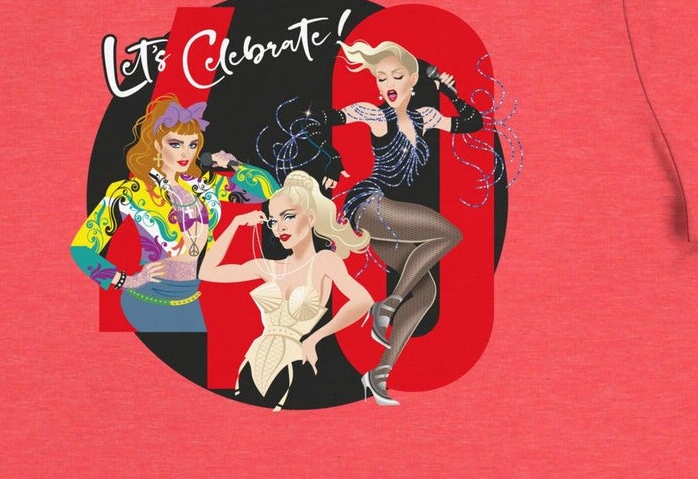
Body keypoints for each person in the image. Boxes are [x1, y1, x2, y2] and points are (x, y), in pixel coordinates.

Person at [314, 40, 487, 403]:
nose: (387, 84)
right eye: (380, 78)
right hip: (369, 204)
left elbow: (474, 122)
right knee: (450, 233)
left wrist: (448, 91)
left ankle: (378, 374)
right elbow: (317, 119)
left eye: (395, 76)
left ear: (412, 79)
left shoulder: (426, 117)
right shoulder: (375, 115)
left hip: (390, 212)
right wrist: (331, 158)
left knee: (426, 293)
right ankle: (389, 303)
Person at [69, 94, 277, 332]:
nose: (185, 153)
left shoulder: (202, 185)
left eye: (192, 145)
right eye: (176, 144)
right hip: (147, 298)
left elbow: (268, 190)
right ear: (157, 144)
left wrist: (233, 165)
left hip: (188, 296)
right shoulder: (130, 191)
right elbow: (81, 249)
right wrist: (126, 280)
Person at [199, 171, 374, 409]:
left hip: (295, 366)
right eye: (273, 220)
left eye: (288, 216)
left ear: (311, 217)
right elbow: (207, 272)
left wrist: (314, 338)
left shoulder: (324, 261)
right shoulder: (269, 267)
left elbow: (363, 300)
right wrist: (235, 223)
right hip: (251, 364)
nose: (279, 227)